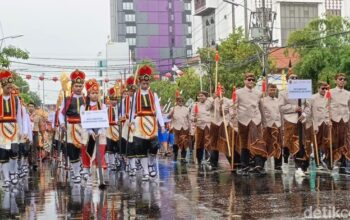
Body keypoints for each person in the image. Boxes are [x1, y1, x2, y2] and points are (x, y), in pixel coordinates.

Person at [129, 65, 165, 180]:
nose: (145, 85)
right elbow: (132, 110)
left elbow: (158, 110)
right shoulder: (135, 95)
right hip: (139, 122)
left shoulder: (153, 94)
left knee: (154, 146)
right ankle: (145, 171)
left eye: (147, 83)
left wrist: (162, 124)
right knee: (141, 147)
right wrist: (131, 122)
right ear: (139, 83)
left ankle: (150, 165)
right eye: (143, 83)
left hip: (152, 122)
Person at [279, 69, 309, 177]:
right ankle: (285, 160)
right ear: (287, 80)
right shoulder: (282, 92)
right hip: (290, 120)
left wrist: (305, 114)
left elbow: (307, 105)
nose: (295, 79)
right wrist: (293, 108)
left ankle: (300, 167)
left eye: (296, 78)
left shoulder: (304, 90)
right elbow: (281, 107)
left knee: (300, 143)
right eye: (292, 78)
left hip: (301, 120)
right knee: (288, 143)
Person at [236, 73, 267, 175]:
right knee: (244, 143)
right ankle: (245, 166)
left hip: (255, 120)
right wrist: (234, 122)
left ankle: (258, 165)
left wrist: (264, 123)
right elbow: (233, 107)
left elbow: (262, 109)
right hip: (243, 120)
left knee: (257, 141)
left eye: (253, 80)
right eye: (249, 80)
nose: (251, 81)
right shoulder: (238, 92)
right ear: (244, 81)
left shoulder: (258, 93)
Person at [59, 69, 86, 183]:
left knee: (84, 150)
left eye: (80, 86)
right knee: (73, 151)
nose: (78, 88)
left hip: (84, 129)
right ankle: (76, 172)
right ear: (72, 86)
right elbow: (61, 113)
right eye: (76, 86)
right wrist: (61, 123)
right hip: (71, 128)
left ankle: (82, 170)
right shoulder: (68, 100)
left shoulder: (87, 99)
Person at [0, 69, 24, 187]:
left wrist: (21, 131)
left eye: (11, 87)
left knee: (14, 152)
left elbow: (19, 116)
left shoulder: (16, 99)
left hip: (14, 128)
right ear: (2, 86)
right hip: (1, 128)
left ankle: (13, 173)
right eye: (8, 88)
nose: (10, 90)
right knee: (3, 154)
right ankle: (6, 178)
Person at [80, 79, 106, 182]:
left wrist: (99, 131)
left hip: (100, 134)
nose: (95, 95)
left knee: (100, 153)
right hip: (88, 133)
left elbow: (104, 121)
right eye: (92, 93)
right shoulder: (83, 107)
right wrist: (91, 132)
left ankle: (100, 176)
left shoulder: (102, 106)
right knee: (87, 152)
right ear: (88, 94)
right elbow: (84, 122)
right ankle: (86, 171)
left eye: (96, 93)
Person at [304, 81, 330, 169]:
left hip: (326, 122)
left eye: (326, 88)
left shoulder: (328, 96)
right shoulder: (312, 97)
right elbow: (308, 110)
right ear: (318, 88)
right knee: (316, 143)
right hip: (316, 123)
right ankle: (317, 161)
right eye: (323, 88)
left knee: (326, 141)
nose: (324, 90)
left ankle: (326, 159)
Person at [207, 84, 232, 169]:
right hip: (214, 124)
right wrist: (213, 98)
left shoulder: (228, 101)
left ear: (224, 92)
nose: (220, 91)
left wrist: (221, 105)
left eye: (222, 90)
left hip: (223, 124)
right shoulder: (211, 100)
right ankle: (213, 163)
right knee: (214, 144)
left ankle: (232, 163)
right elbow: (206, 108)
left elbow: (223, 113)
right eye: (219, 90)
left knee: (225, 143)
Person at [329, 73, 350, 173]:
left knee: (345, 141)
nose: (342, 81)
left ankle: (343, 163)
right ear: (335, 81)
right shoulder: (329, 92)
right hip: (334, 120)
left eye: (344, 79)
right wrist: (328, 119)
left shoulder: (348, 93)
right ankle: (330, 161)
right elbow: (326, 105)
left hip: (345, 119)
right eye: (340, 79)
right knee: (334, 141)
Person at [261, 83, 283, 171]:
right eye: (271, 89)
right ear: (267, 90)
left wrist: (282, 126)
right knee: (266, 144)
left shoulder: (279, 101)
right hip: (267, 125)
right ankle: (261, 163)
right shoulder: (263, 100)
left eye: (274, 90)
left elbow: (281, 114)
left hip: (277, 124)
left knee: (278, 144)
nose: (273, 91)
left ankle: (278, 164)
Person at [168, 94, 190, 163]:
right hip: (176, 128)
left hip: (185, 128)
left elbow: (189, 119)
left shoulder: (187, 109)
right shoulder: (173, 108)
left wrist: (190, 128)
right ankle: (175, 156)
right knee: (176, 142)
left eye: (182, 101)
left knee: (184, 142)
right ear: (176, 101)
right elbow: (168, 117)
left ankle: (183, 158)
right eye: (179, 101)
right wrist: (171, 113)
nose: (180, 102)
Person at [191, 91, 211, 165]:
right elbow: (191, 116)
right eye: (199, 96)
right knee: (199, 143)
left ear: (206, 97)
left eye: (202, 96)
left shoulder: (209, 105)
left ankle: (209, 158)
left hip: (208, 126)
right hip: (199, 126)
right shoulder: (195, 105)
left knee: (208, 142)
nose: (200, 97)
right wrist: (194, 119)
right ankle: (199, 159)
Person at [106, 85, 122, 171]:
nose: (114, 102)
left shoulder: (120, 108)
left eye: (115, 100)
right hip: (109, 129)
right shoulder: (106, 109)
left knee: (118, 146)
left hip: (118, 129)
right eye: (112, 100)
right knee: (110, 147)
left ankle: (117, 159)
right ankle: (112, 163)